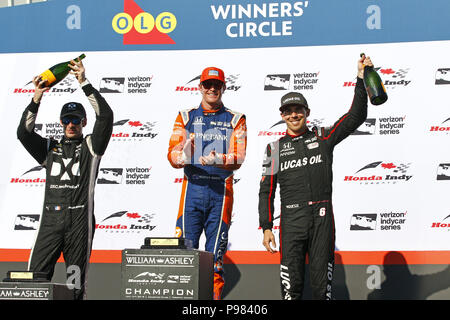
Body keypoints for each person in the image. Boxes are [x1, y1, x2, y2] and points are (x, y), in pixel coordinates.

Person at [258, 55, 372, 300]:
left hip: (322, 220)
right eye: (287, 112)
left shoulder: (323, 137)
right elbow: (266, 191)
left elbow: (355, 117)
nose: (293, 115)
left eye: (298, 110)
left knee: (323, 291)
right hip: (291, 222)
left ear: (307, 112)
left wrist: (361, 79)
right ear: (282, 115)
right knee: (291, 290)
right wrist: (266, 226)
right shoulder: (273, 149)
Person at [17, 58, 113, 300]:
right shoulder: (48, 148)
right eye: (67, 120)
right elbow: (23, 133)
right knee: (35, 281)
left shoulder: (92, 146)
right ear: (61, 122)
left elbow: (106, 117)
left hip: (79, 224)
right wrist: (36, 98)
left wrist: (84, 82)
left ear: (84, 122)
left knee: (74, 285)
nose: (71, 124)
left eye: (76, 120)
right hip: (50, 221)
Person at [168, 67, 247, 300]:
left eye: (217, 85)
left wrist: (218, 159)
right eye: (208, 84)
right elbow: (172, 155)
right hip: (192, 190)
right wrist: (183, 156)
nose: (212, 89)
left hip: (221, 194)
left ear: (224, 87)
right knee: (186, 257)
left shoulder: (236, 118)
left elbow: (239, 157)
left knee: (215, 262)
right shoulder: (186, 116)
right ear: (200, 87)